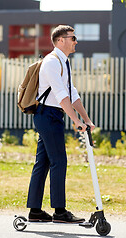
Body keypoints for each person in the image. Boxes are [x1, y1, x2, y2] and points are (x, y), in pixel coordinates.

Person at [26, 25, 95, 223]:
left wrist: (86, 119)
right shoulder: (51, 62)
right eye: (72, 38)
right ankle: (59, 212)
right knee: (59, 160)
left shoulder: (63, 62)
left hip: (53, 115)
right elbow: (60, 94)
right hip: (47, 115)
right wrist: (76, 121)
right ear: (60, 40)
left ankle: (35, 211)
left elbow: (72, 93)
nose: (76, 42)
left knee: (44, 161)